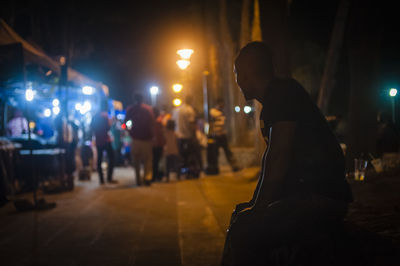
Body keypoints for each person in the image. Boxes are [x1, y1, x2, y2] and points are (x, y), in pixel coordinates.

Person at [222, 42, 353, 265]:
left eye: (237, 74)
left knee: (245, 232)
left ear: (246, 74)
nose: (237, 81)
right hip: (304, 193)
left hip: (320, 196)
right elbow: (271, 157)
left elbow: (278, 155)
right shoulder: (275, 98)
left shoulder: (283, 94)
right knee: (240, 215)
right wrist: (254, 203)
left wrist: (260, 208)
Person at [125, 93, 154, 186]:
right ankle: (147, 178)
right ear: (143, 99)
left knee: (136, 161)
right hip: (146, 138)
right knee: (147, 160)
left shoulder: (131, 109)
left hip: (135, 138)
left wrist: (130, 131)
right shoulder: (148, 109)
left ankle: (138, 179)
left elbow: (126, 122)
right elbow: (152, 123)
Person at [208, 98, 240, 174]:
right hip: (215, 136)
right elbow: (211, 123)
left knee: (228, 152)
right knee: (215, 153)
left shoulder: (222, 112)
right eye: (221, 104)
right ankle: (214, 168)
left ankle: (234, 166)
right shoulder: (213, 112)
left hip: (222, 135)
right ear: (217, 104)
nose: (222, 106)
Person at [172, 96, 201, 178]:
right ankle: (190, 173)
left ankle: (180, 173)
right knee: (190, 156)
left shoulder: (176, 110)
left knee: (181, 156)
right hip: (187, 137)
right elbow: (192, 124)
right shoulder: (189, 110)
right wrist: (194, 136)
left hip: (178, 137)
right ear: (191, 100)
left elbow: (173, 122)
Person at [91, 109, 115, 185]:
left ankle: (101, 179)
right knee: (112, 158)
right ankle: (109, 178)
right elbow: (108, 127)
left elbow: (91, 127)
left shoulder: (94, 117)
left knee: (99, 160)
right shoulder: (105, 115)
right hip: (106, 140)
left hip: (98, 140)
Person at [152, 107, 166, 182]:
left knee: (154, 161)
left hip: (153, 144)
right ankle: (156, 175)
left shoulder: (152, 122)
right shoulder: (159, 122)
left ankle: (154, 175)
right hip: (158, 144)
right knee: (157, 161)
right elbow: (161, 134)